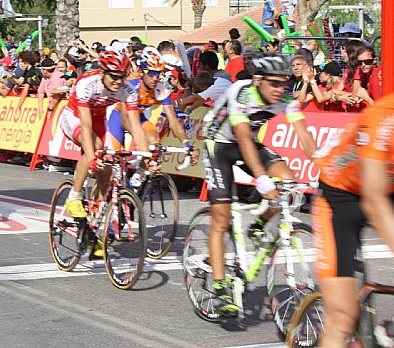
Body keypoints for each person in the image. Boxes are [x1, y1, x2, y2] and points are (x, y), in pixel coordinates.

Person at [311, 41, 394, 347]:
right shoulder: (384, 119)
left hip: (391, 194)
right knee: (343, 318)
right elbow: (373, 201)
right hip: (341, 197)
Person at [201, 52, 317, 317]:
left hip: (248, 144)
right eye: (274, 83)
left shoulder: (286, 98)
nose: (280, 89)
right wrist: (262, 179)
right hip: (219, 145)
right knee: (221, 218)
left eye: (284, 83)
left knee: (289, 185)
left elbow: (304, 133)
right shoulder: (241, 93)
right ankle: (220, 288)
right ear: (257, 79)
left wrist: (325, 166)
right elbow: (242, 138)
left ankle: (260, 224)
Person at [58, 51, 153, 253]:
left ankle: (94, 229)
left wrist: (147, 156)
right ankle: (74, 197)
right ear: (102, 72)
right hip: (74, 117)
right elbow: (85, 124)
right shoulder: (88, 83)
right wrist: (91, 157)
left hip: (99, 120)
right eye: (114, 76)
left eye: (122, 76)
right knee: (96, 145)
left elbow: (136, 127)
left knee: (106, 177)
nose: (118, 82)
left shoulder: (127, 89)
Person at [105, 47, 198, 187]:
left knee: (154, 142)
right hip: (119, 119)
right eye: (151, 73)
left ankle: (138, 177)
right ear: (142, 72)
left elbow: (173, 120)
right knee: (114, 166)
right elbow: (126, 119)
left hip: (139, 118)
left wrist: (187, 143)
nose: (155, 78)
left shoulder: (160, 90)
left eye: (158, 74)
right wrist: (141, 143)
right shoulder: (131, 86)